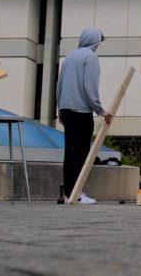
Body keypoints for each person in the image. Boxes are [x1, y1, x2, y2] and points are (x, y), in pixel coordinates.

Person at [56, 27, 112, 205]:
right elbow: (90, 87)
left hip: (66, 110)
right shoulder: (90, 57)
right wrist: (100, 110)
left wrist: (60, 110)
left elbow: (59, 86)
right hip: (81, 112)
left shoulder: (69, 57)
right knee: (80, 154)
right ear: (95, 41)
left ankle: (68, 194)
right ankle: (76, 194)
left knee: (69, 153)